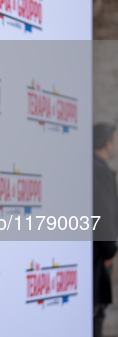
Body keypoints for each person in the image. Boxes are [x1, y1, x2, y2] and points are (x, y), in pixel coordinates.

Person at [93, 123, 118, 337]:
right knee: (96, 311)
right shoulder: (100, 171)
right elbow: (103, 213)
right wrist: (110, 249)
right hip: (98, 254)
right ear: (108, 142)